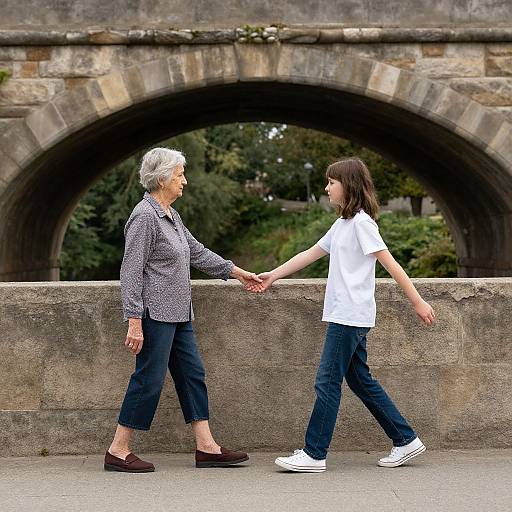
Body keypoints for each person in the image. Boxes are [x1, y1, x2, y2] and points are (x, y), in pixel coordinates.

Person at [246, 158, 435, 472]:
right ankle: (405, 439)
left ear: (348, 186)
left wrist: (417, 302)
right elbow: (310, 253)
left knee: (327, 383)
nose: (327, 188)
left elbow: (391, 264)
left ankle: (314, 454)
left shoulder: (362, 223)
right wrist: (273, 276)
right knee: (360, 381)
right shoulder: (343, 224)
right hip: (347, 315)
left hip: (349, 316)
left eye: (331, 182)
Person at [104, 147, 262, 473]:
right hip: (155, 314)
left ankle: (206, 447)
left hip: (180, 313)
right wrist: (133, 320)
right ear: (162, 179)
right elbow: (130, 272)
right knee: (148, 380)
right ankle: (118, 450)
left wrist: (236, 272)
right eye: (179, 176)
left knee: (193, 376)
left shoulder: (170, 216)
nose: (184, 182)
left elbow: (197, 253)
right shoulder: (145, 217)